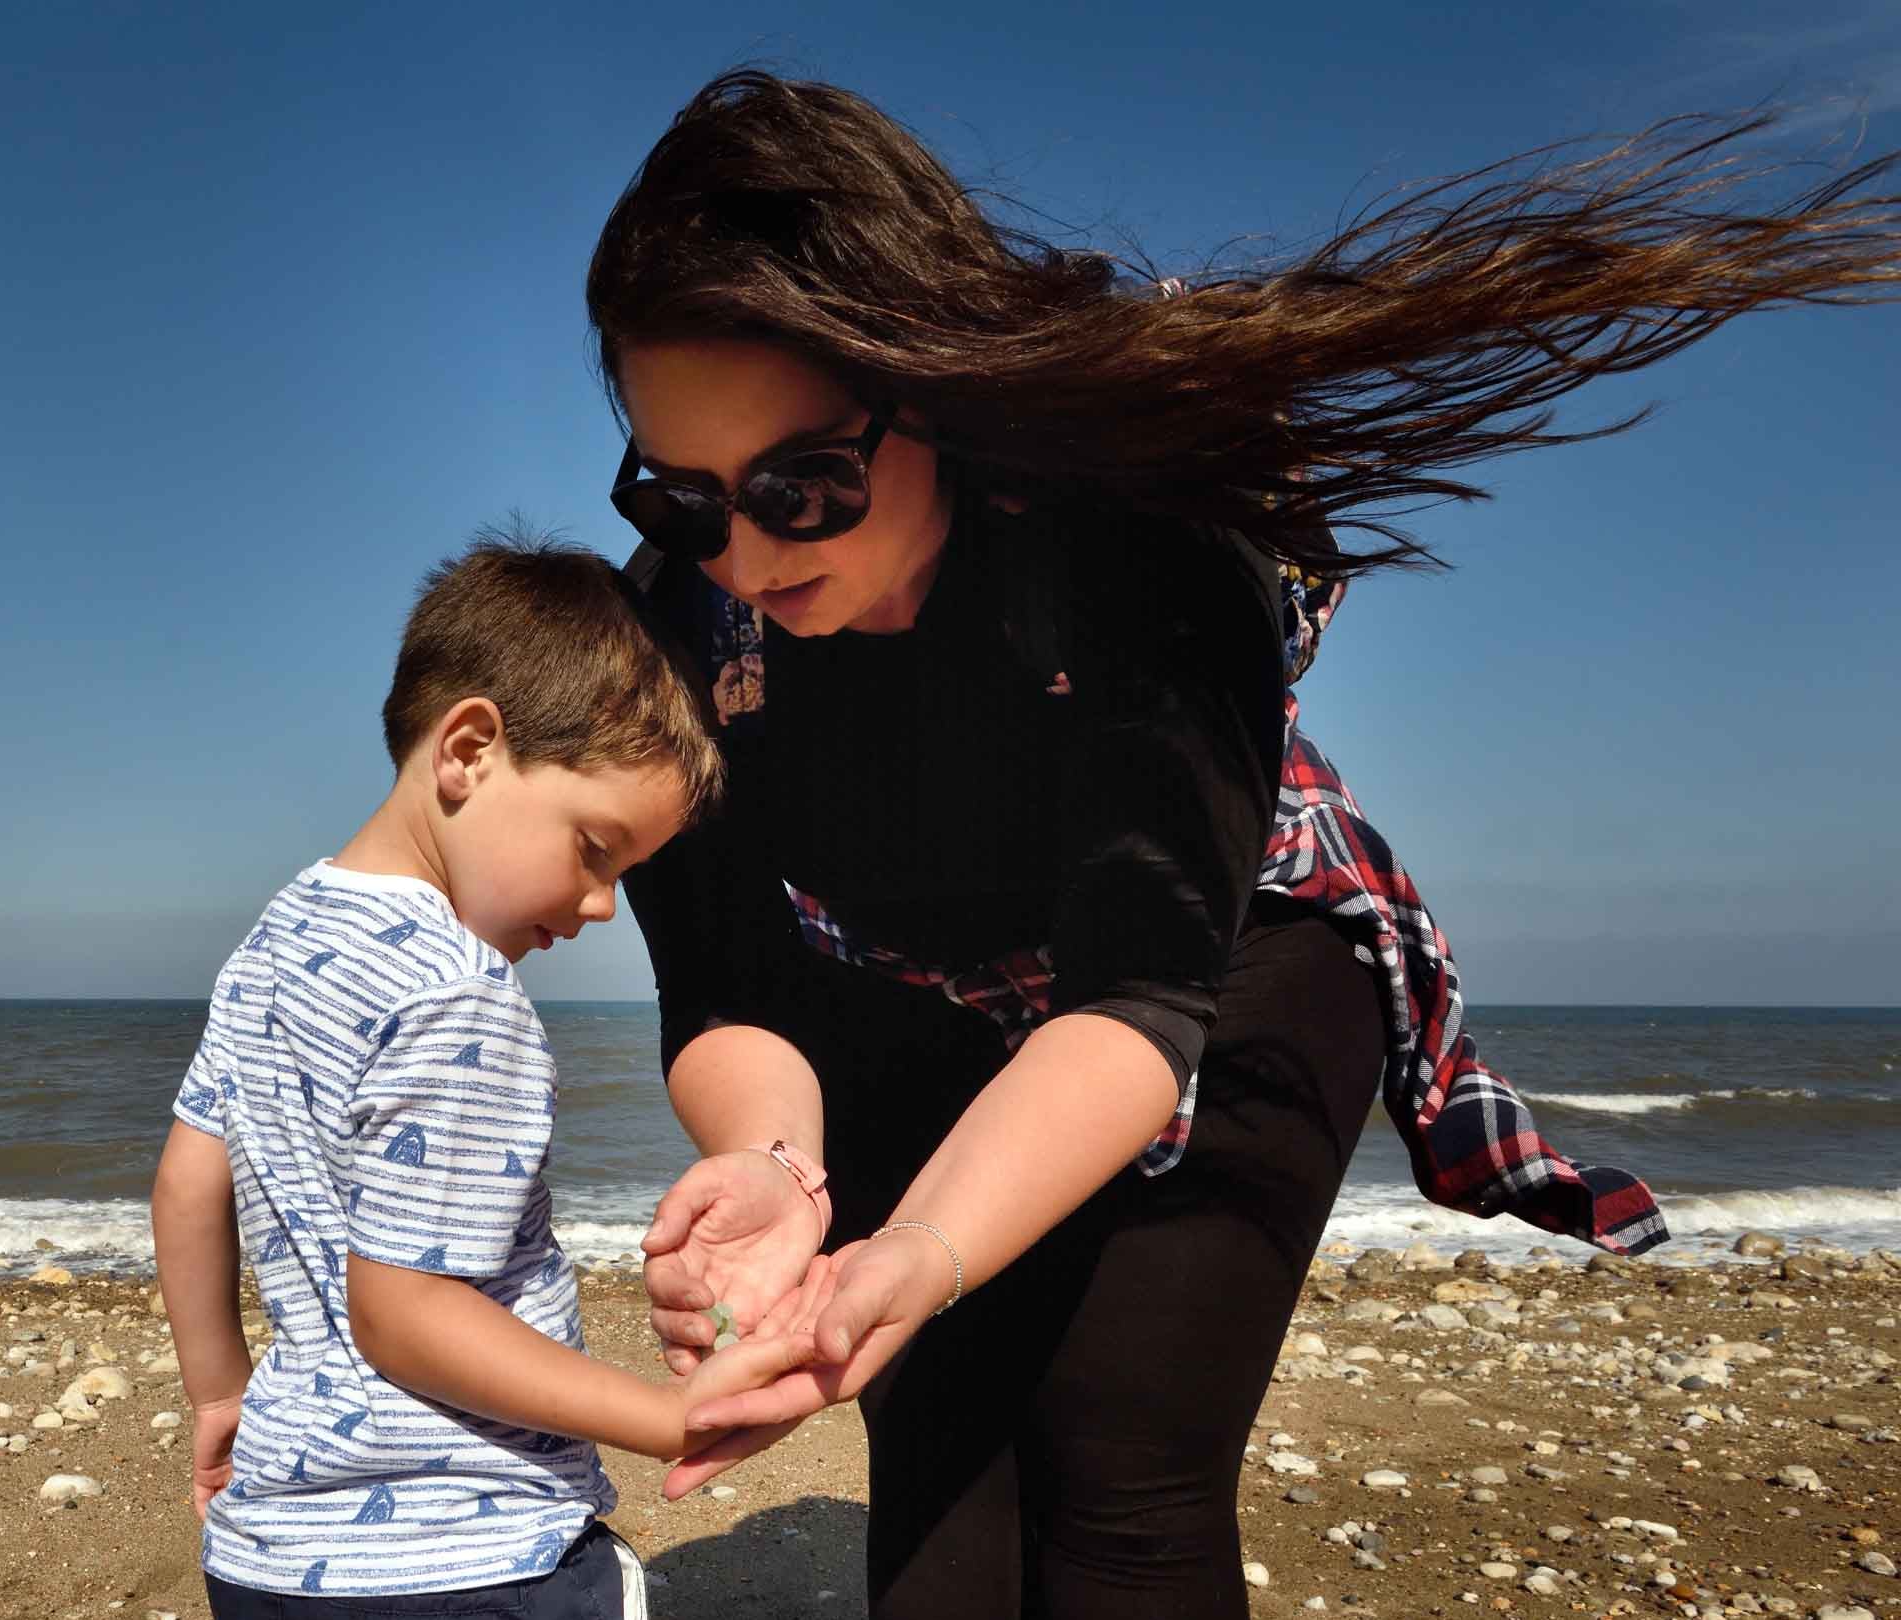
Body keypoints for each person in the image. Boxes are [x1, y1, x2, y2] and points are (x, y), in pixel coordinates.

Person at [590, 73, 1901, 1620]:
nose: (741, 549)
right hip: (903, 995)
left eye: (800, 486)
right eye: (679, 498)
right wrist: (775, 1169)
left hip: (1235, 951)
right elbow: (733, 975)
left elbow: (1138, 999)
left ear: (928, 392)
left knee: (1118, 1453)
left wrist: (924, 1248)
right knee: (942, 1453)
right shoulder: (680, 633)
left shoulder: (1144, 534)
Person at [149, 538, 814, 1616]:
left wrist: (220, 1386)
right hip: (466, 1550)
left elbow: (186, 1183)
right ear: (468, 751)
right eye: (594, 849)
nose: (600, 908)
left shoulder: (275, 940)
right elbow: (403, 1311)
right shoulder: (461, 998)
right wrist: (663, 1416)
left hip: (270, 1551)